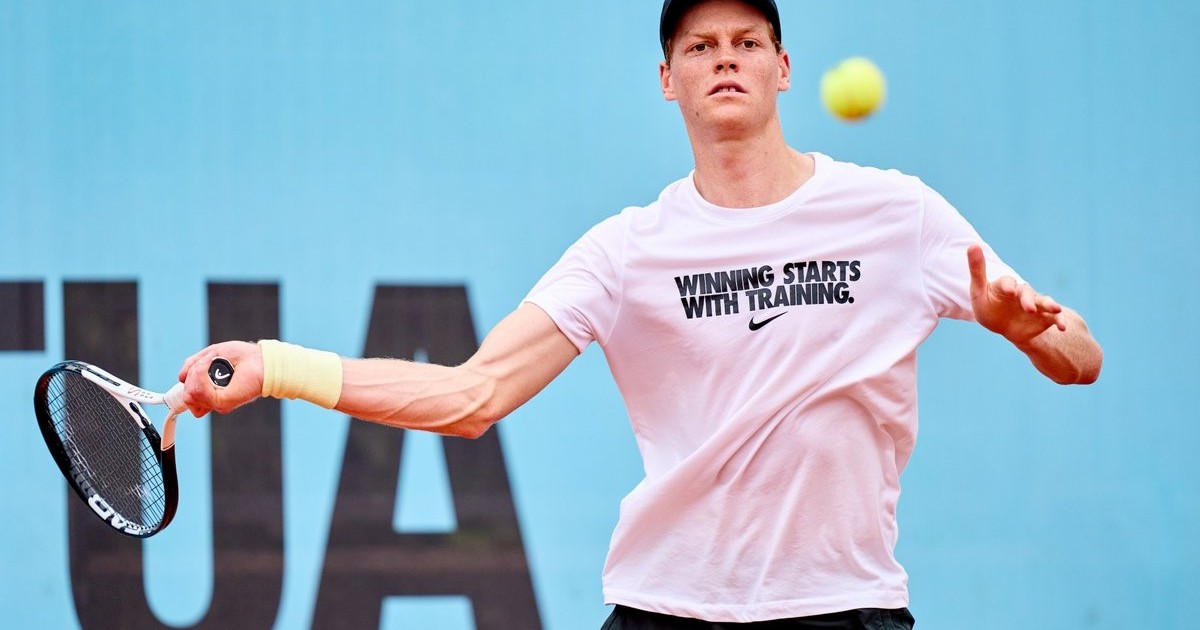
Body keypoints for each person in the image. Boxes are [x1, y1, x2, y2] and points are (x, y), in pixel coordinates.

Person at [175, 0, 1103, 627]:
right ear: (668, 78)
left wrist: (1032, 336)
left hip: (844, 606)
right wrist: (276, 366)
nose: (725, 57)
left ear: (783, 68)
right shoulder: (625, 252)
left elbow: (1082, 358)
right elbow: (471, 395)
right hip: (666, 611)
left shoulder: (898, 213)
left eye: (747, 41)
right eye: (699, 46)